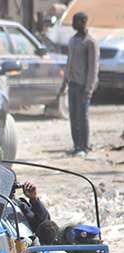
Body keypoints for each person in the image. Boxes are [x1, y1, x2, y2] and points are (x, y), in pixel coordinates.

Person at [59, 12, 99, 158]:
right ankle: (76, 146)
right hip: (73, 84)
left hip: (83, 86)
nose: (73, 24)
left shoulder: (90, 42)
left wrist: (89, 89)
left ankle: (84, 146)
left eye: (76, 21)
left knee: (83, 117)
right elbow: (68, 63)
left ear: (83, 21)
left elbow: (93, 68)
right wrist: (64, 84)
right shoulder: (72, 40)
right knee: (73, 116)